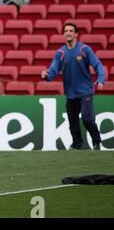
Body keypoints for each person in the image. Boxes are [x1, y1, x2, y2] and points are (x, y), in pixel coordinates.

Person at [41, 22, 104, 151]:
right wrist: (46, 75)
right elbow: (53, 71)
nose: (68, 33)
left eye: (70, 31)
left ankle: (96, 142)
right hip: (70, 93)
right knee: (73, 122)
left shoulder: (84, 50)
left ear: (76, 34)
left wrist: (100, 79)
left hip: (85, 92)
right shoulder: (60, 53)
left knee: (87, 119)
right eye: (66, 31)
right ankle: (76, 144)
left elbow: (98, 65)